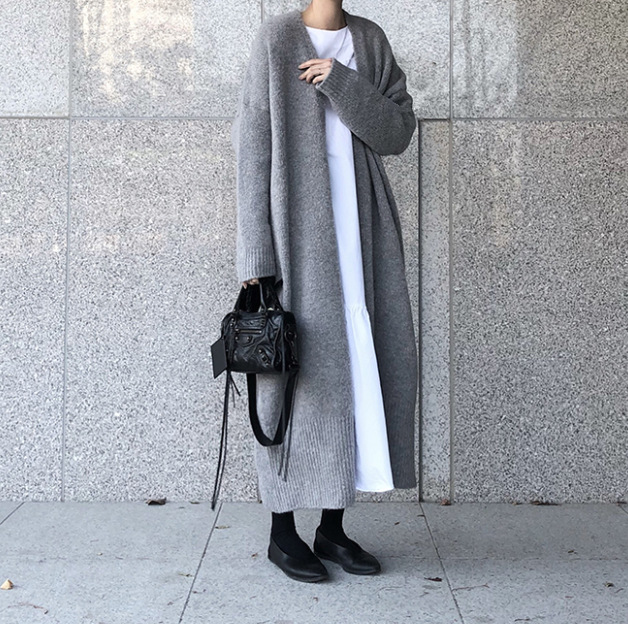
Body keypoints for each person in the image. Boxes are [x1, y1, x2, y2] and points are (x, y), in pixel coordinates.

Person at [230, 0, 418, 583]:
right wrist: (256, 256)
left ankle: (332, 528)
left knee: (359, 370)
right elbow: (252, 149)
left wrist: (342, 82)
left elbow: (396, 134)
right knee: (288, 379)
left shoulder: (369, 40)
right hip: (297, 240)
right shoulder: (276, 38)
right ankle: (282, 531)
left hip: (362, 240)